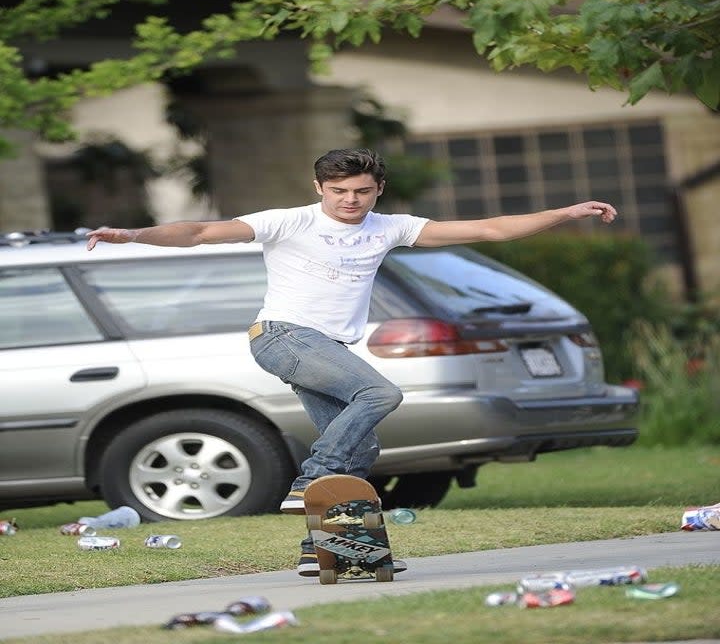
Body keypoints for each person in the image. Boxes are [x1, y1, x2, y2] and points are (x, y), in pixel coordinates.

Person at [86, 147, 617, 576]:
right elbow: (200, 232)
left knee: (359, 449)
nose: (350, 201)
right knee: (379, 395)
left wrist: (566, 212)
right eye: (338, 191)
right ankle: (308, 481)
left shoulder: (389, 227)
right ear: (319, 188)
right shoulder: (287, 222)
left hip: (326, 349)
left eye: (362, 191)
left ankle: (334, 552)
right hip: (283, 337)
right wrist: (133, 234)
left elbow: (489, 229)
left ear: (377, 189)